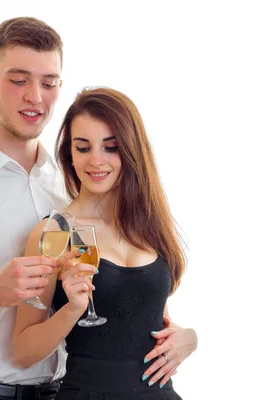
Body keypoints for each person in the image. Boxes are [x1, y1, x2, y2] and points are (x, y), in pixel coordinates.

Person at [0, 17, 197, 400]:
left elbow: (118, 308)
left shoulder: (73, 186)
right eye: (18, 80)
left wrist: (185, 338)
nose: (35, 96)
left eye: (49, 83)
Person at [13, 87, 195, 399]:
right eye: (83, 148)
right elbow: (23, 350)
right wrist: (72, 310)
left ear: (131, 150)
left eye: (110, 147)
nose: (96, 161)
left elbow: (150, 318)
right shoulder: (56, 231)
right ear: (69, 154)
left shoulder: (147, 225)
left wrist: (188, 339)